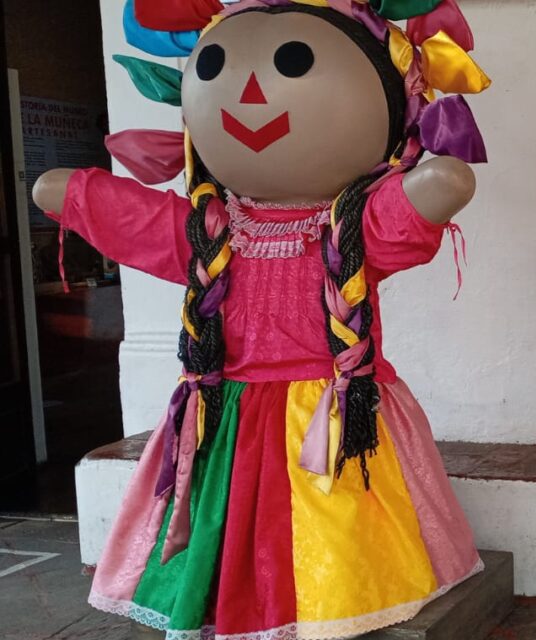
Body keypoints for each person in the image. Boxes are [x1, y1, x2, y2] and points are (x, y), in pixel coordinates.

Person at [32, 1, 491, 637]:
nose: (249, 94)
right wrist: (81, 195)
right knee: (225, 521)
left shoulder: (351, 226)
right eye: (216, 69)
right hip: (225, 412)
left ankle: (336, 601)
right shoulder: (207, 229)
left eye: (294, 64)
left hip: (331, 415)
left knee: (338, 530)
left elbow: (415, 207)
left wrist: (434, 186)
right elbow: (131, 218)